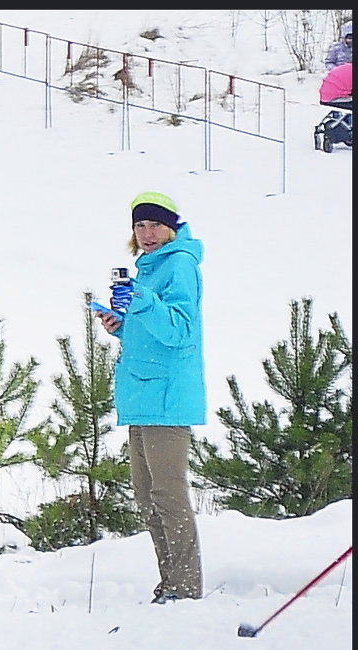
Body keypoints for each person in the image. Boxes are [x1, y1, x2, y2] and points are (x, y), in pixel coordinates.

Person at [92, 192, 205, 604]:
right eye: (140, 226)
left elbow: (180, 331)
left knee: (168, 495)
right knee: (148, 496)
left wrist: (141, 301)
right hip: (143, 394)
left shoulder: (179, 265)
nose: (147, 233)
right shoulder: (149, 268)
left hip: (167, 397)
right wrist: (121, 324)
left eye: (155, 225)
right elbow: (153, 331)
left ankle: (186, 587)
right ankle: (170, 584)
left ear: (171, 227)